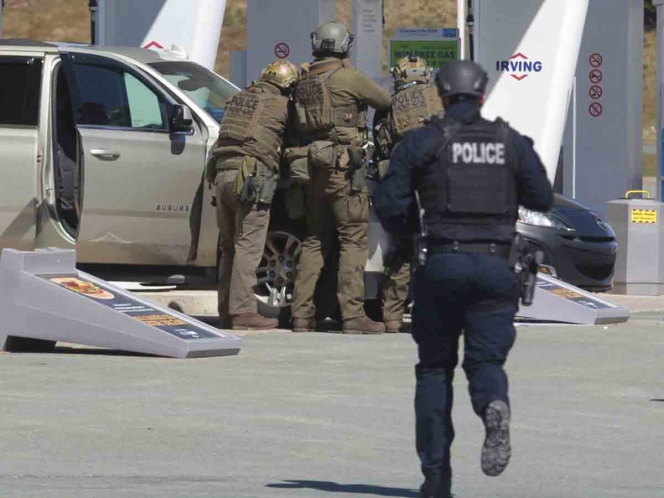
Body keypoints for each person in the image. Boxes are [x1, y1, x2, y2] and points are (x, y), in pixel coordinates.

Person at [374, 60, 553, 497]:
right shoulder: (509, 142)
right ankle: (493, 403)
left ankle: (436, 480)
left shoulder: (422, 141)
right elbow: (542, 198)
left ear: (440, 95)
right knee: (485, 363)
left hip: (441, 265)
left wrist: (408, 235)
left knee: (434, 370)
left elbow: (389, 202)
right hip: (496, 268)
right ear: (482, 96)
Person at [290, 21, 392, 334]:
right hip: (344, 169)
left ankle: (301, 315)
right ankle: (353, 315)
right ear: (344, 46)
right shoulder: (349, 77)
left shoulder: (304, 80)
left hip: (310, 169)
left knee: (314, 240)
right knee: (352, 240)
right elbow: (385, 101)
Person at [208, 60, 298, 330]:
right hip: (251, 177)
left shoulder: (238, 99)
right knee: (248, 246)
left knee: (228, 247)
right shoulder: (282, 105)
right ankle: (244, 312)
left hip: (223, 173)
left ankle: (226, 310)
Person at [373, 55, 443, 334]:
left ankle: (392, 316)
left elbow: (381, 146)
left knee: (401, 248)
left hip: (402, 181)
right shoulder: (441, 96)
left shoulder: (389, 104)